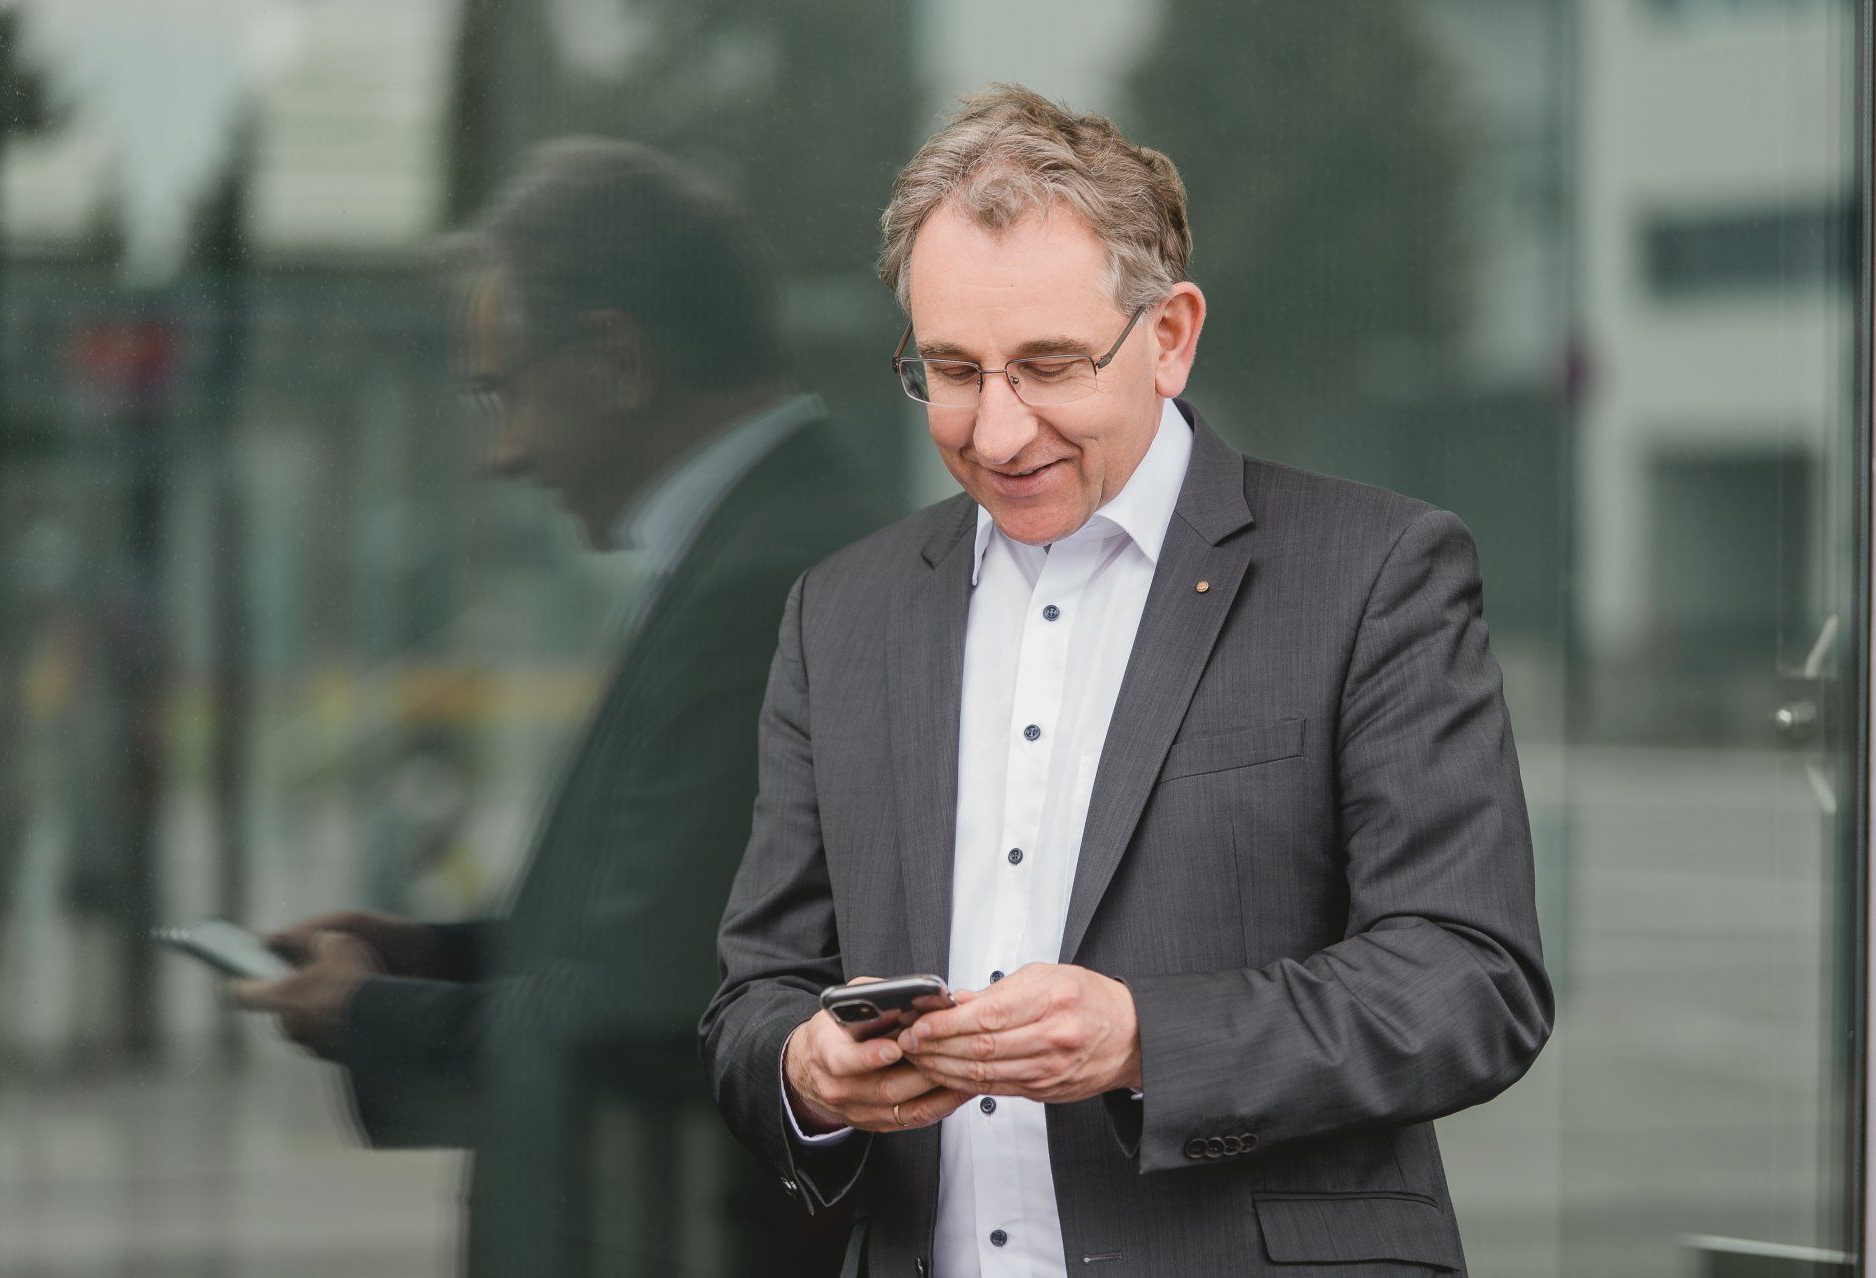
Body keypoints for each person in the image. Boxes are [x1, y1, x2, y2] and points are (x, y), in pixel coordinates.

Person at [700, 85, 1554, 1277]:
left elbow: (1471, 980)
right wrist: (807, 1069)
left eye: (1048, 366)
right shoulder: (838, 613)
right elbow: (754, 998)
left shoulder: (1375, 573)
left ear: (1170, 336)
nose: (998, 432)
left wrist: (1147, 1039)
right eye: (953, 371)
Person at [231, 138, 899, 1277]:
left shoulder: (761, 585)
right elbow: (676, 930)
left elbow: (663, 1008)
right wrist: (429, 958)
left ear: (616, 360)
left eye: (504, 394)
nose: (500, 455)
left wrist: (373, 1019)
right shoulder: (768, 544)